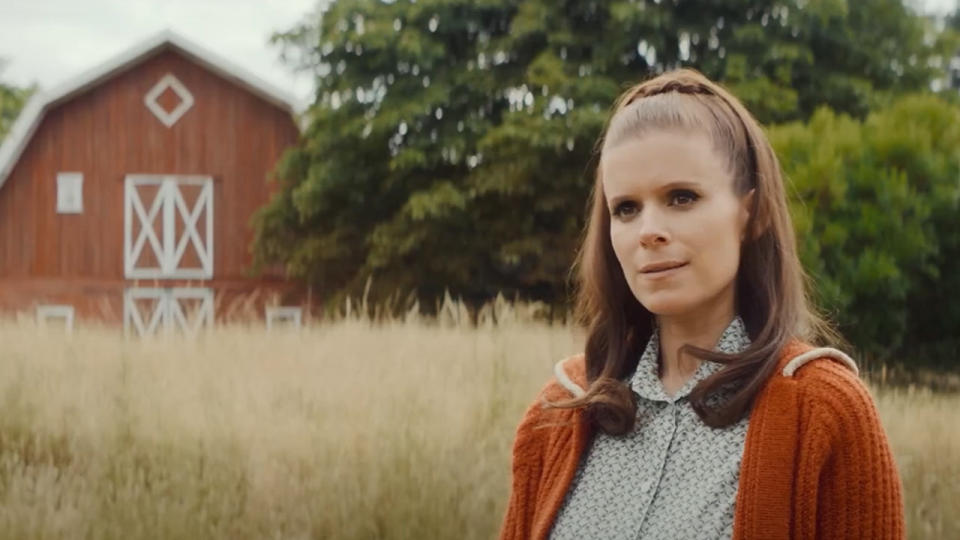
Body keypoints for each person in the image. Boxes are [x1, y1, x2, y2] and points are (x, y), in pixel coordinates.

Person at [497, 68, 905, 540]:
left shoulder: (823, 410)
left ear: (752, 215)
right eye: (625, 208)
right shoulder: (561, 408)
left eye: (681, 197)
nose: (648, 230)